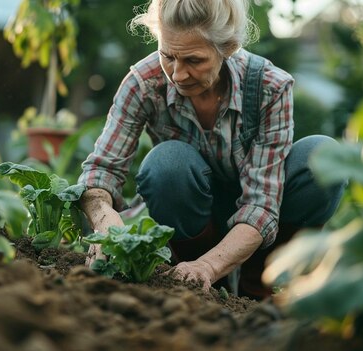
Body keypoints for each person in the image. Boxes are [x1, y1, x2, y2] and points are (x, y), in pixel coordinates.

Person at [77, 0, 345, 300]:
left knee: (323, 157)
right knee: (167, 164)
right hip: (191, 214)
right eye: (168, 55)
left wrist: (209, 265)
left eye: (193, 60)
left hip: (258, 220)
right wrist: (106, 223)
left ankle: (259, 285)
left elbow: (261, 206)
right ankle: (200, 285)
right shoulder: (143, 83)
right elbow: (100, 171)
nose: (177, 74)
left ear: (227, 47)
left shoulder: (270, 87)